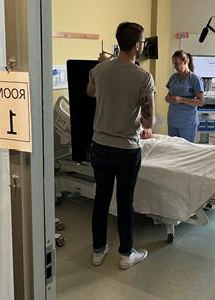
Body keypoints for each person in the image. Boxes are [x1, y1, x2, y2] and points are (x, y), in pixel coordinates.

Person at [86, 21, 155, 269]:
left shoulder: (99, 70)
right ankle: (126, 255)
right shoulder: (143, 77)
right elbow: (148, 120)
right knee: (125, 202)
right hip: (126, 149)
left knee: (101, 198)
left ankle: (97, 251)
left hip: (100, 146)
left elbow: (90, 92)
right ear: (137, 46)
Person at [165, 50, 204, 142]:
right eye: (174, 64)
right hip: (173, 120)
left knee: (186, 150)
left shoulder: (195, 80)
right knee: (172, 149)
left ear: (186, 62)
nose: (176, 67)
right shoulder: (174, 78)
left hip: (187, 122)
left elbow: (201, 102)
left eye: (178, 64)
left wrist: (181, 100)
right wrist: (168, 99)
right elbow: (168, 95)